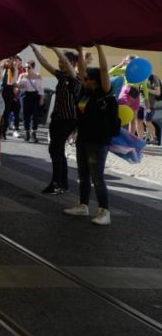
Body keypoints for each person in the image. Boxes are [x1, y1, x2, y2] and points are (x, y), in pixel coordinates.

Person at [63, 46, 118, 225]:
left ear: (94, 81)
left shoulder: (105, 93)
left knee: (97, 177)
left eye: (86, 78)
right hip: (84, 139)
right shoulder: (85, 95)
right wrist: (79, 49)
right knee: (83, 174)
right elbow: (81, 69)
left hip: (99, 141)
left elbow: (103, 69)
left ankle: (105, 212)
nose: (83, 79)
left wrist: (99, 47)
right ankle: (83, 205)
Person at [31, 45, 81, 195]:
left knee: (56, 149)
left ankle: (57, 183)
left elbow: (70, 70)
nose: (60, 64)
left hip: (68, 119)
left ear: (72, 64)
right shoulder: (61, 76)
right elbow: (46, 63)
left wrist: (54, 49)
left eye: (63, 62)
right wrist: (34, 48)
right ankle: (62, 184)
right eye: (59, 63)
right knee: (56, 150)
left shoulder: (76, 79)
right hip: (57, 118)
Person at [17, 60, 44, 142]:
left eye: (28, 67)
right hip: (25, 95)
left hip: (35, 96)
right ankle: (27, 133)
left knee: (34, 115)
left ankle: (33, 133)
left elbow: (41, 88)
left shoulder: (38, 76)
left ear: (33, 67)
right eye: (25, 67)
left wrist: (42, 98)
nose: (26, 69)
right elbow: (18, 86)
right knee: (25, 115)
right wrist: (19, 82)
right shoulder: (22, 75)